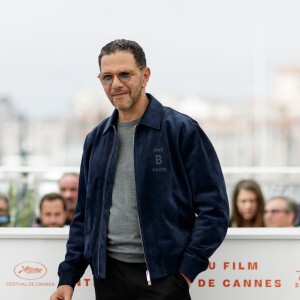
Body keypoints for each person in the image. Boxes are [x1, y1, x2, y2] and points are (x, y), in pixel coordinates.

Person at [50, 39, 229, 300]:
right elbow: (84, 216)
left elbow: (215, 210)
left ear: (145, 76)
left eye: (125, 74)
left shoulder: (181, 130)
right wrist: (68, 278)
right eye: (107, 77)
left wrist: (185, 273)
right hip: (107, 278)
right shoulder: (96, 138)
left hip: (165, 280)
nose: (116, 84)